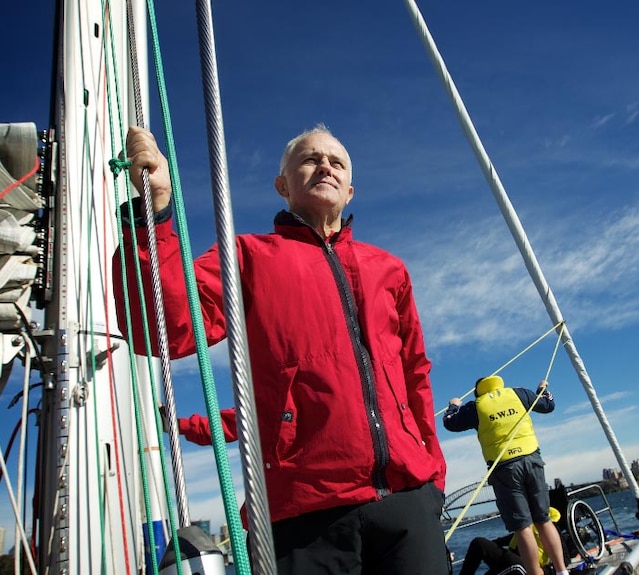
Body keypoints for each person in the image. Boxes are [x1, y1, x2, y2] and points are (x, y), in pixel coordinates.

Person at [115, 124, 448, 574]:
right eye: (310, 159)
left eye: (337, 161)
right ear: (282, 186)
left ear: (350, 190)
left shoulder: (389, 269)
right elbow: (163, 327)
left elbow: (415, 375)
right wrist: (153, 213)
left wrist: (434, 475)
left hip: (409, 499)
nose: (325, 165)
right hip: (301, 511)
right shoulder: (245, 257)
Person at [443, 376, 567, 575]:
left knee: (523, 527)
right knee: (543, 520)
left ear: (478, 391)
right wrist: (542, 390)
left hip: (504, 469)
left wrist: (453, 406)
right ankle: (562, 571)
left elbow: (450, 424)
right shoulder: (519, 393)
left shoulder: (475, 406)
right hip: (532, 460)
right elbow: (548, 405)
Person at [458, 507, 567, 575]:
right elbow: (506, 540)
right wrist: (491, 547)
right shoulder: (525, 526)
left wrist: (542, 571)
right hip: (512, 561)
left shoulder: (550, 528)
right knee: (479, 543)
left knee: (512, 565)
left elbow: (565, 560)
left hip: (528, 568)